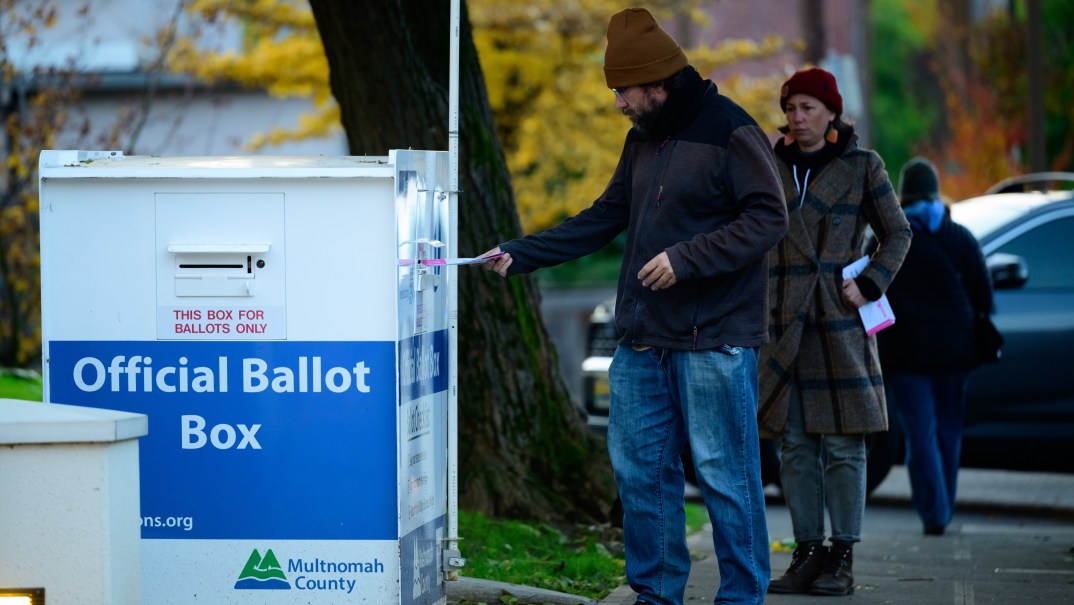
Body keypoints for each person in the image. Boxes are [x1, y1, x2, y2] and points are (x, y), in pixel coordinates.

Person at [482, 8, 787, 604]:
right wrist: (521, 254)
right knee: (642, 478)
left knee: (726, 479)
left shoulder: (731, 131)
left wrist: (687, 258)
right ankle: (655, 596)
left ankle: (743, 597)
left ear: (657, 82)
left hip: (715, 340)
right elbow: (604, 216)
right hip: (643, 341)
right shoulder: (642, 138)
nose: (618, 103)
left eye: (623, 91)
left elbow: (770, 218)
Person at [756, 67, 911, 596]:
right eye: (791, 109)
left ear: (831, 113)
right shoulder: (768, 165)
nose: (797, 119)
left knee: (844, 446)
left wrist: (870, 283)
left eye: (808, 109)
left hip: (838, 322)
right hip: (781, 325)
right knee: (794, 446)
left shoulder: (862, 166)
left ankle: (842, 555)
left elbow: (898, 232)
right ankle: (807, 552)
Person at [873, 157, 993, 536]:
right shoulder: (959, 237)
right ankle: (945, 506)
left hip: (907, 356)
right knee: (949, 432)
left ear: (903, 196)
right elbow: (984, 297)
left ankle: (935, 513)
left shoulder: (889, 240)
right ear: (936, 193)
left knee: (920, 434)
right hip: (957, 354)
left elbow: (870, 289)